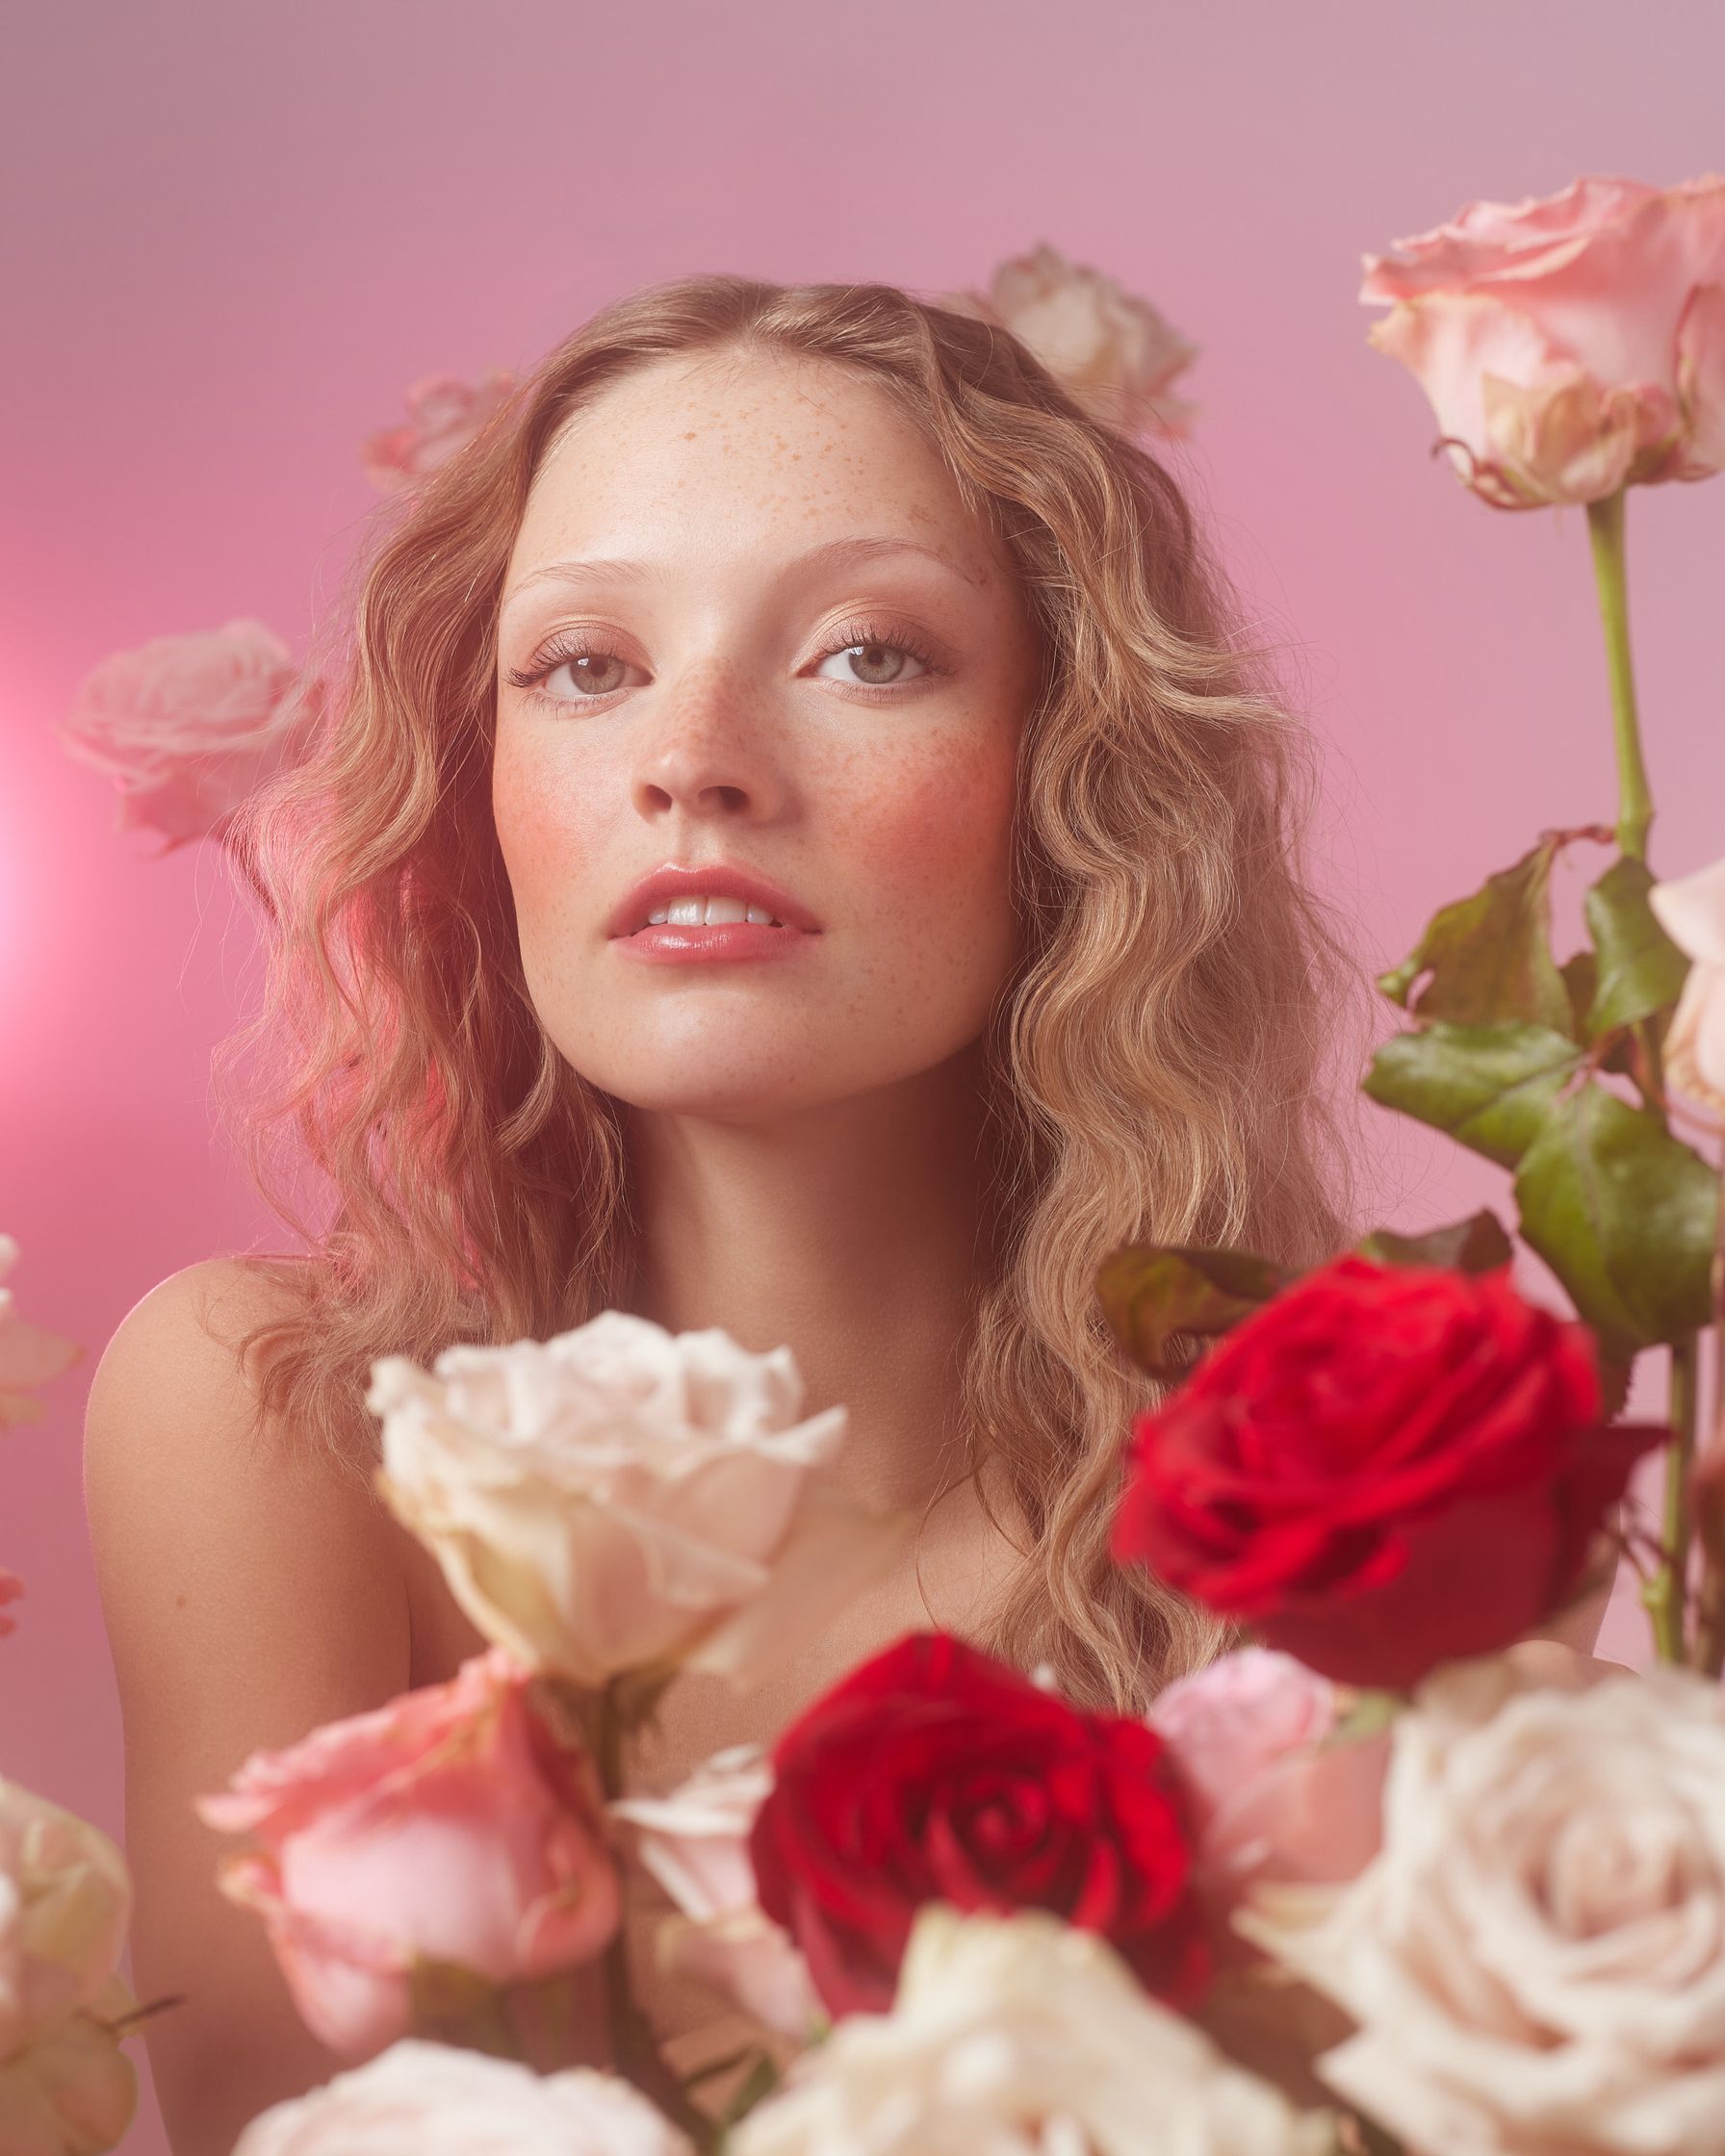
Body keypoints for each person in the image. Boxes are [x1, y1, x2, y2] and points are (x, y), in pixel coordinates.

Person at [80, 272, 1599, 2153]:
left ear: (1068, 777)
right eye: (583, 665)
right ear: (481, 792)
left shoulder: (1341, 1504)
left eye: (867, 652)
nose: (693, 754)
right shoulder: (273, 1418)